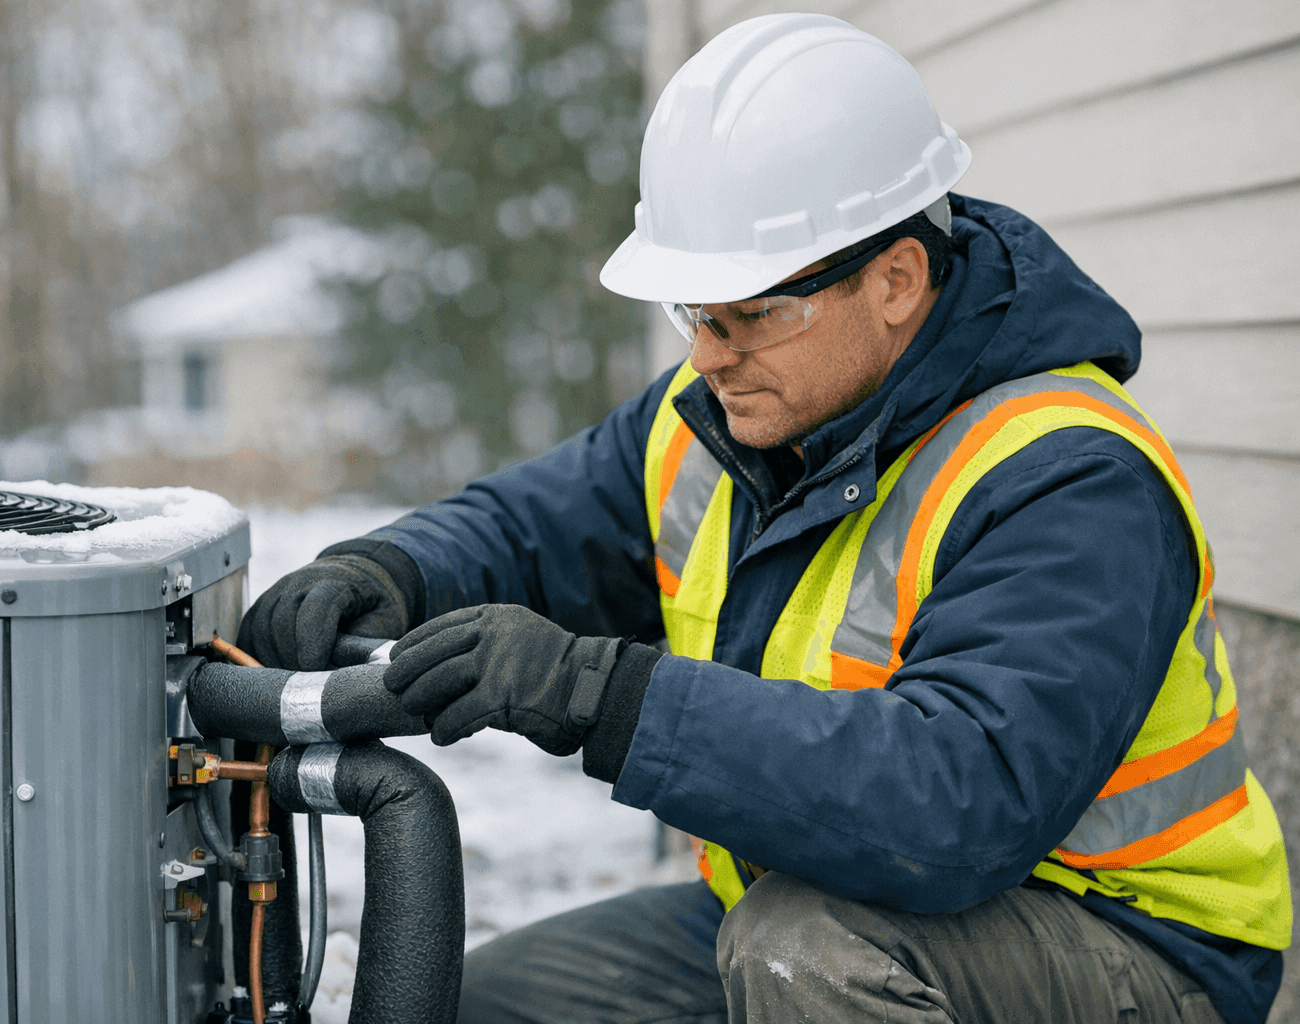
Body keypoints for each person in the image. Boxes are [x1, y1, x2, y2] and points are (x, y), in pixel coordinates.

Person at [239, 14, 1290, 1023]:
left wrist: (602, 696)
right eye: (695, 312)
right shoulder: (730, 416)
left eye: (750, 313)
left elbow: (953, 807)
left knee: (809, 947)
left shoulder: (1068, 477)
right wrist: (390, 571)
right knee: (477, 1002)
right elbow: (532, 526)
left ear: (896, 278)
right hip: (822, 896)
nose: (707, 353)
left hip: (1127, 944)